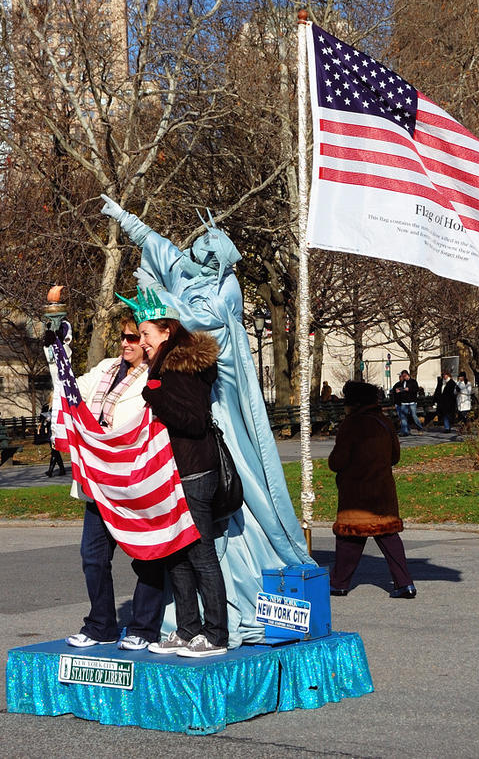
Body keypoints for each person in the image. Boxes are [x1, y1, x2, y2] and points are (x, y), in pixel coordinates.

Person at [100, 195, 314, 647]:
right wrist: (125, 218)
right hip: (185, 430)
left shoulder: (224, 291)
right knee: (183, 546)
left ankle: (221, 619)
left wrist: (161, 306)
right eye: (197, 251)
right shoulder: (190, 278)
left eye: (206, 254)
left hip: (220, 404)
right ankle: (188, 623)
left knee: (235, 486)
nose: (195, 258)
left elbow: (195, 318)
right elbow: (160, 249)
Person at [129, 304, 228, 658]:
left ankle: (216, 634)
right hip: (171, 475)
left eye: (146, 335)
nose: (142, 342)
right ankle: (187, 630)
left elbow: (193, 422)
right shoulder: (164, 367)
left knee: (201, 556)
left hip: (193, 472)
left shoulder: (179, 369)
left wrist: (156, 397)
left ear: (167, 332)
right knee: (177, 556)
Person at [65, 314, 165, 652]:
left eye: (134, 337)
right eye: (123, 337)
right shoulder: (106, 367)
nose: (126, 343)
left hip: (135, 482)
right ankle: (101, 625)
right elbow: (69, 390)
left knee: (147, 557)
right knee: (92, 557)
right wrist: (58, 352)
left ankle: (145, 627)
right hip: (99, 481)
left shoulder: (157, 373)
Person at [328, 380, 416, 599]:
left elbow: (337, 461)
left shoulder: (351, 424)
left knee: (350, 539)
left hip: (356, 493)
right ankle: (405, 583)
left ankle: (339, 583)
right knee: (388, 537)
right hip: (383, 490)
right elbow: (395, 456)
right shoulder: (384, 422)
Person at [391, 370, 424, 436]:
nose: (404, 377)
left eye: (405, 376)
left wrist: (409, 389)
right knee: (403, 417)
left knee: (414, 416)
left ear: (408, 375)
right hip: (404, 402)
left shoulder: (413, 381)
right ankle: (405, 431)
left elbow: (416, 389)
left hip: (412, 402)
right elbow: (401, 388)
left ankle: (420, 428)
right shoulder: (403, 382)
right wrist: (398, 390)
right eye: (403, 376)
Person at [39, 403, 66, 477]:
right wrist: (46, 421)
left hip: (55, 433)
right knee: (55, 452)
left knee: (54, 451)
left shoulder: (57, 409)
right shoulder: (48, 408)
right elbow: (44, 421)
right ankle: (61, 469)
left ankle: (51, 471)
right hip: (51, 433)